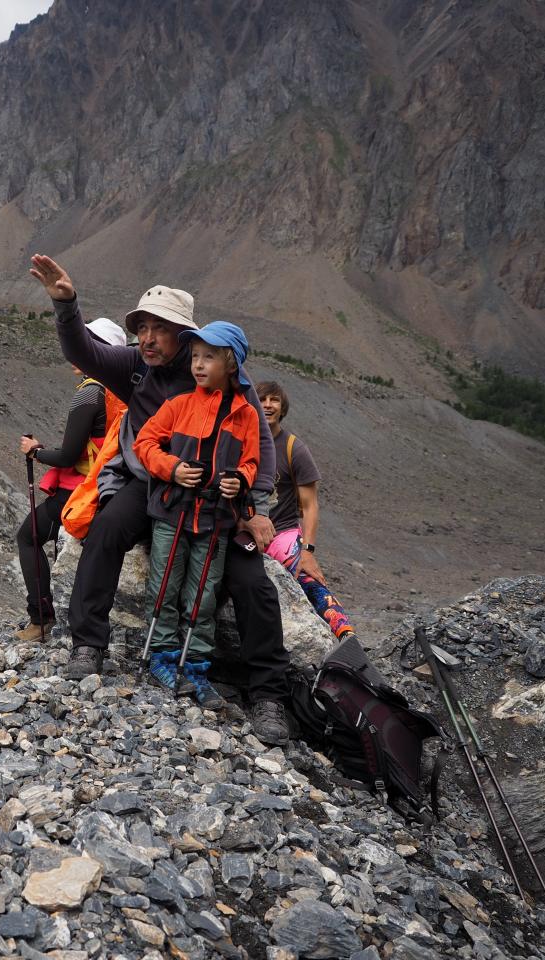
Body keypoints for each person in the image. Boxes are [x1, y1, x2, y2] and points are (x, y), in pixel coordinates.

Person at [28, 254, 292, 746]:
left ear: (186, 336)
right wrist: (67, 305)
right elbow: (85, 352)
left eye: (158, 329)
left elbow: (262, 447)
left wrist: (252, 510)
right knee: (106, 531)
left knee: (251, 581)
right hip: (150, 485)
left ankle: (268, 695)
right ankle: (88, 644)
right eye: (141, 327)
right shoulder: (133, 367)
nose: (146, 338)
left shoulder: (225, 382)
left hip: (213, 498)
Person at [134, 322, 259, 708]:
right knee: (165, 585)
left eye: (208, 357)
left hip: (215, 518)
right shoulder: (179, 405)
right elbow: (145, 443)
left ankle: (195, 668)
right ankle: (162, 658)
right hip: (174, 512)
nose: (198, 365)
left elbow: (251, 462)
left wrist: (240, 480)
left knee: (204, 595)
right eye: (195, 358)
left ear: (231, 363)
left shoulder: (247, 416)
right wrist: (172, 469)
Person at [14, 317, 127, 641]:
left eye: (86, 344)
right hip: (115, 485)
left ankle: (40, 620)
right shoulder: (122, 389)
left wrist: (35, 451)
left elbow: (67, 456)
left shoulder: (89, 394)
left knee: (28, 537)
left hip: (82, 489)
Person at [257, 380, 356, 642]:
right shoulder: (240, 442)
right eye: (262, 399)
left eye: (274, 400)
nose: (267, 405)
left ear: (283, 407)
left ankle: (345, 635)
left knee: (309, 577)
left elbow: (310, 506)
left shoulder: (294, 449)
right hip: (248, 531)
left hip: (283, 534)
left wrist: (308, 551)